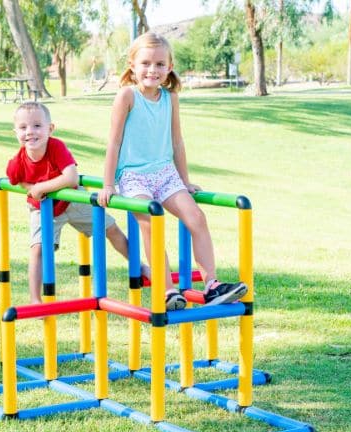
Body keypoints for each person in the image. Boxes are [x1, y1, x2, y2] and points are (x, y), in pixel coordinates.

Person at [97, 32, 247, 311]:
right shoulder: (127, 96)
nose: (152, 70)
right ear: (132, 65)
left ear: (169, 67)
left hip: (165, 173)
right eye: (145, 63)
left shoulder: (170, 98)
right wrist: (108, 184)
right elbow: (114, 142)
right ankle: (167, 290)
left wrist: (185, 181)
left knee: (197, 217)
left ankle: (212, 285)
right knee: (151, 221)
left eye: (159, 64)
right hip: (133, 175)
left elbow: (177, 141)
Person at [7, 101, 149, 304]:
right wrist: (31, 188)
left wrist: (41, 187)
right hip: (44, 209)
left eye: (37, 125)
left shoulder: (56, 147)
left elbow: (71, 177)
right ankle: (35, 299)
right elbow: (15, 179)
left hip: (74, 201)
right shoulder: (18, 161)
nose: (30, 132)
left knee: (111, 229)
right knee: (37, 249)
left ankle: (140, 266)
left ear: (50, 129)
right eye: (23, 127)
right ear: (15, 132)